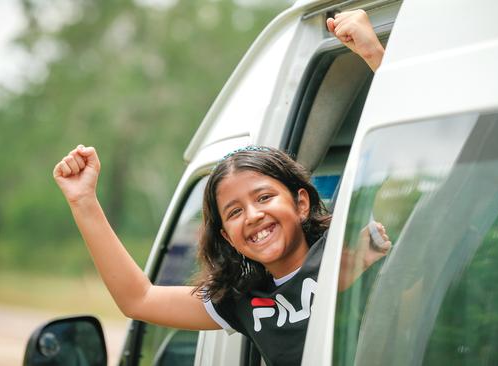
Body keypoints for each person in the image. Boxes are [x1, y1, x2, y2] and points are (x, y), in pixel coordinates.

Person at [53, 10, 387, 366]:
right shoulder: (242, 300)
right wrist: (83, 200)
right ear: (227, 236)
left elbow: (407, 151)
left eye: (264, 197)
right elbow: (139, 299)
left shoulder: (348, 245)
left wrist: (374, 57)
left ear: (301, 203)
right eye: (235, 211)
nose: (254, 216)